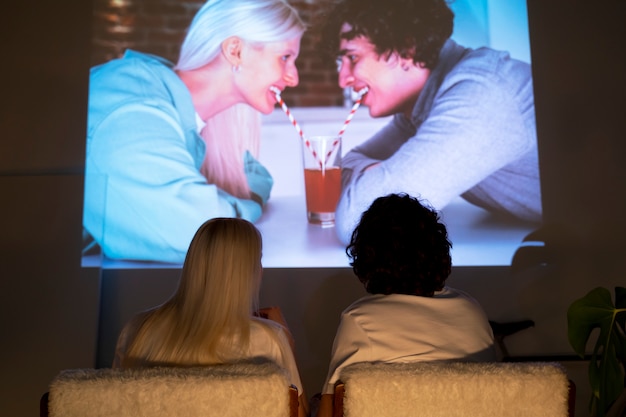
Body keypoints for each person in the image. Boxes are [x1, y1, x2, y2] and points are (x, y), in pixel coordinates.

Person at [83, 0, 305, 262]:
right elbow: (205, 235)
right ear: (235, 51)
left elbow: (255, 175)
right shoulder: (135, 109)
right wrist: (248, 204)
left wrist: (232, 201)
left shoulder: (187, 113)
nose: (294, 77)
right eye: (285, 58)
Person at [319, 0, 541, 244]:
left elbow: (360, 222)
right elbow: (346, 164)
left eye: (353, 57)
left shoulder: (481, 93)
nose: (343, 80)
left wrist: (378, 176)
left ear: (407, 48)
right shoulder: (419, 112)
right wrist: (374, 173)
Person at [316, 193, 496, 417]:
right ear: (437, 249)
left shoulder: (360, 319)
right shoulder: (472, 311)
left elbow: (331, 410)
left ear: (368, 256)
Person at [113, 218, 309, 417]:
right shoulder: (268, 340)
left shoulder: (136, 330)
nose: (262, 270)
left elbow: (117, 406)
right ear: (245, 272)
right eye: (258, 259)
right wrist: (287, 341)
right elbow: (299, 413)